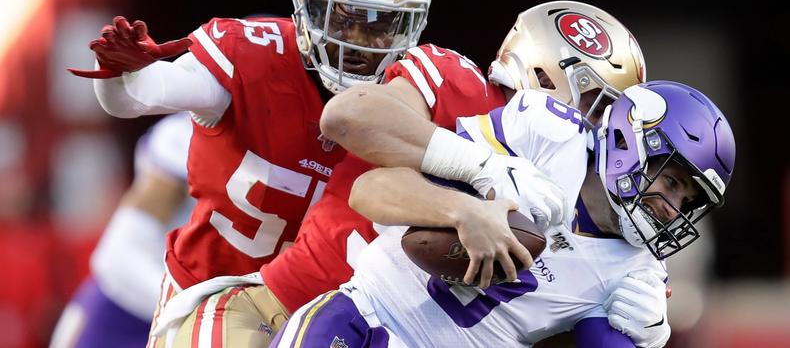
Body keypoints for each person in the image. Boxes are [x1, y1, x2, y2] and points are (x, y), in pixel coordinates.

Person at [149, 1, 653, 347]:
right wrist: (481, 171)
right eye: (597, 104)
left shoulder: (590, 201)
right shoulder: (460, 85)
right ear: (545, 74)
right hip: (278, 313)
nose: (602, 128)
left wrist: (644, 317)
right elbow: (351, 118)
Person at [68, 0, 431, 347]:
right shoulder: (251, 60)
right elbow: (138, 94)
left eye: (382, 24)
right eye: (344, 19)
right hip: (210, 291)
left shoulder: (418, 93)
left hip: (321, 312)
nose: (361, 41)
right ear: (305, 10)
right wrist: (119, 76)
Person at [273, 80, 735, 348]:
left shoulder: (638, 272)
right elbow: (369, 187)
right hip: (362, 318)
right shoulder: (547, 135)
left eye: (688, 201)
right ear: (628, 142)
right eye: (671, 182)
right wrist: (472, 193)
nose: (672, 208)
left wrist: (645, 339)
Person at [48, 113, 194, 348]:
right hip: (123, 318)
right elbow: (119, 255)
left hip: (199, 318)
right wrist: (198, 308)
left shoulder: (271, 139)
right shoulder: (189, 137)